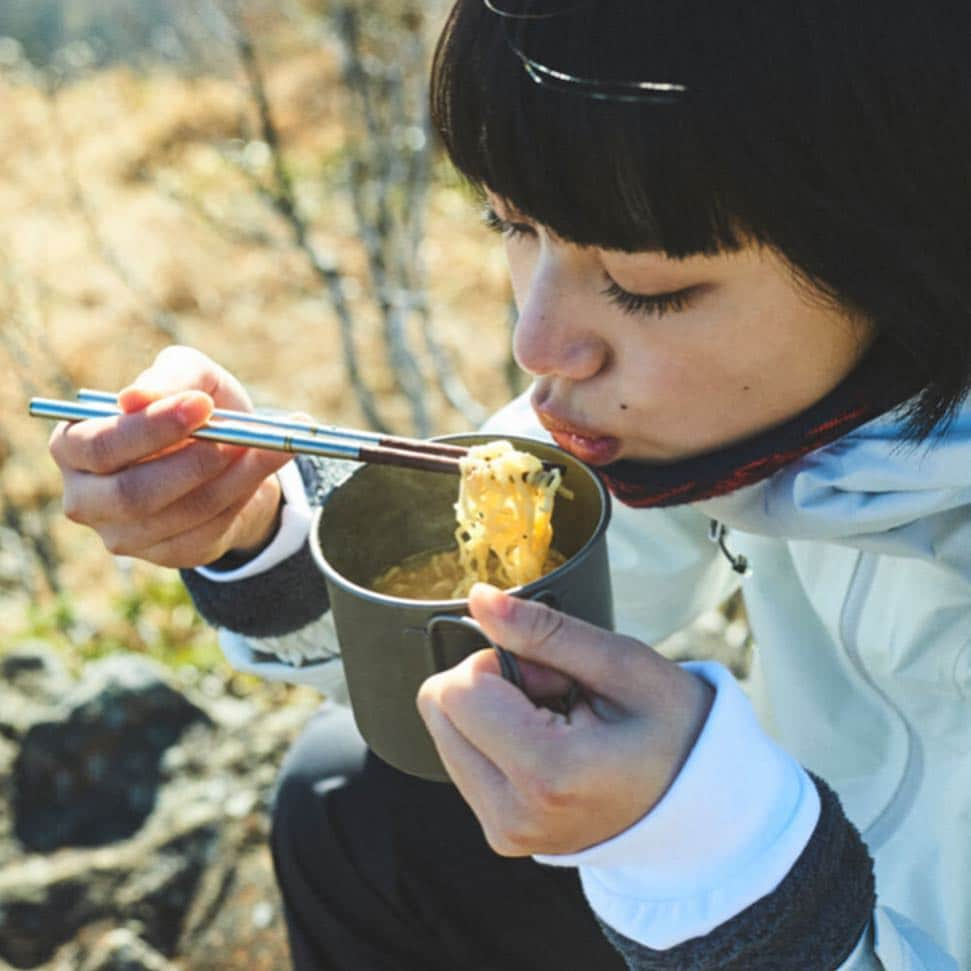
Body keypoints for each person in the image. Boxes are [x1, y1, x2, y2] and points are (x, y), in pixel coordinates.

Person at [46, 1, 969, 967]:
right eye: (512, 222)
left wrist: (710, 854)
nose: (536, 343)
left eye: (649, 286)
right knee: (362, 805)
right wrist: (256, 524)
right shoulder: (761, 410)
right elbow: (487, 618)